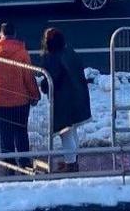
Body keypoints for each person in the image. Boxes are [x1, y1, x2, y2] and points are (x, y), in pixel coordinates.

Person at [0, 22, 40, 169]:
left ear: (1, 34)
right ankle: (25, 164)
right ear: (15, 34)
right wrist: (34, 95)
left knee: (5, 134)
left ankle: (8, 165)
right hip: (19, 100)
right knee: (21, 132)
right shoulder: (21, 52)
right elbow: (28, 76)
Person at [37, 26, 92, 172]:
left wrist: (44, 86)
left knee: (64, 131)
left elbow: (52, 79)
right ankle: (73, 159)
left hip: (62, 101)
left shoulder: (52, 57)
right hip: (77, 97)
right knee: (72, 130)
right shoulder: (69, 52)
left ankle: (70, 163)